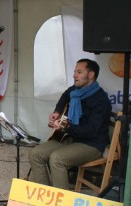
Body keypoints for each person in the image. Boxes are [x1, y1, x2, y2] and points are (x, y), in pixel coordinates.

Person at [28, 58, 111, 190]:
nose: (74, 75)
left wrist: (66, 126)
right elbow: (65, 95)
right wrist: (57, 111)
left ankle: (61, 202)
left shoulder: (101, 100)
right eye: (74, 71)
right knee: (35, 154)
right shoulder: (76, 90)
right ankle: (44, 198)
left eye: (79, 72)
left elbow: (91, 131)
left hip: (91, 144)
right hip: (71, 137)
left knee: (57, 159)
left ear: (91, 75)